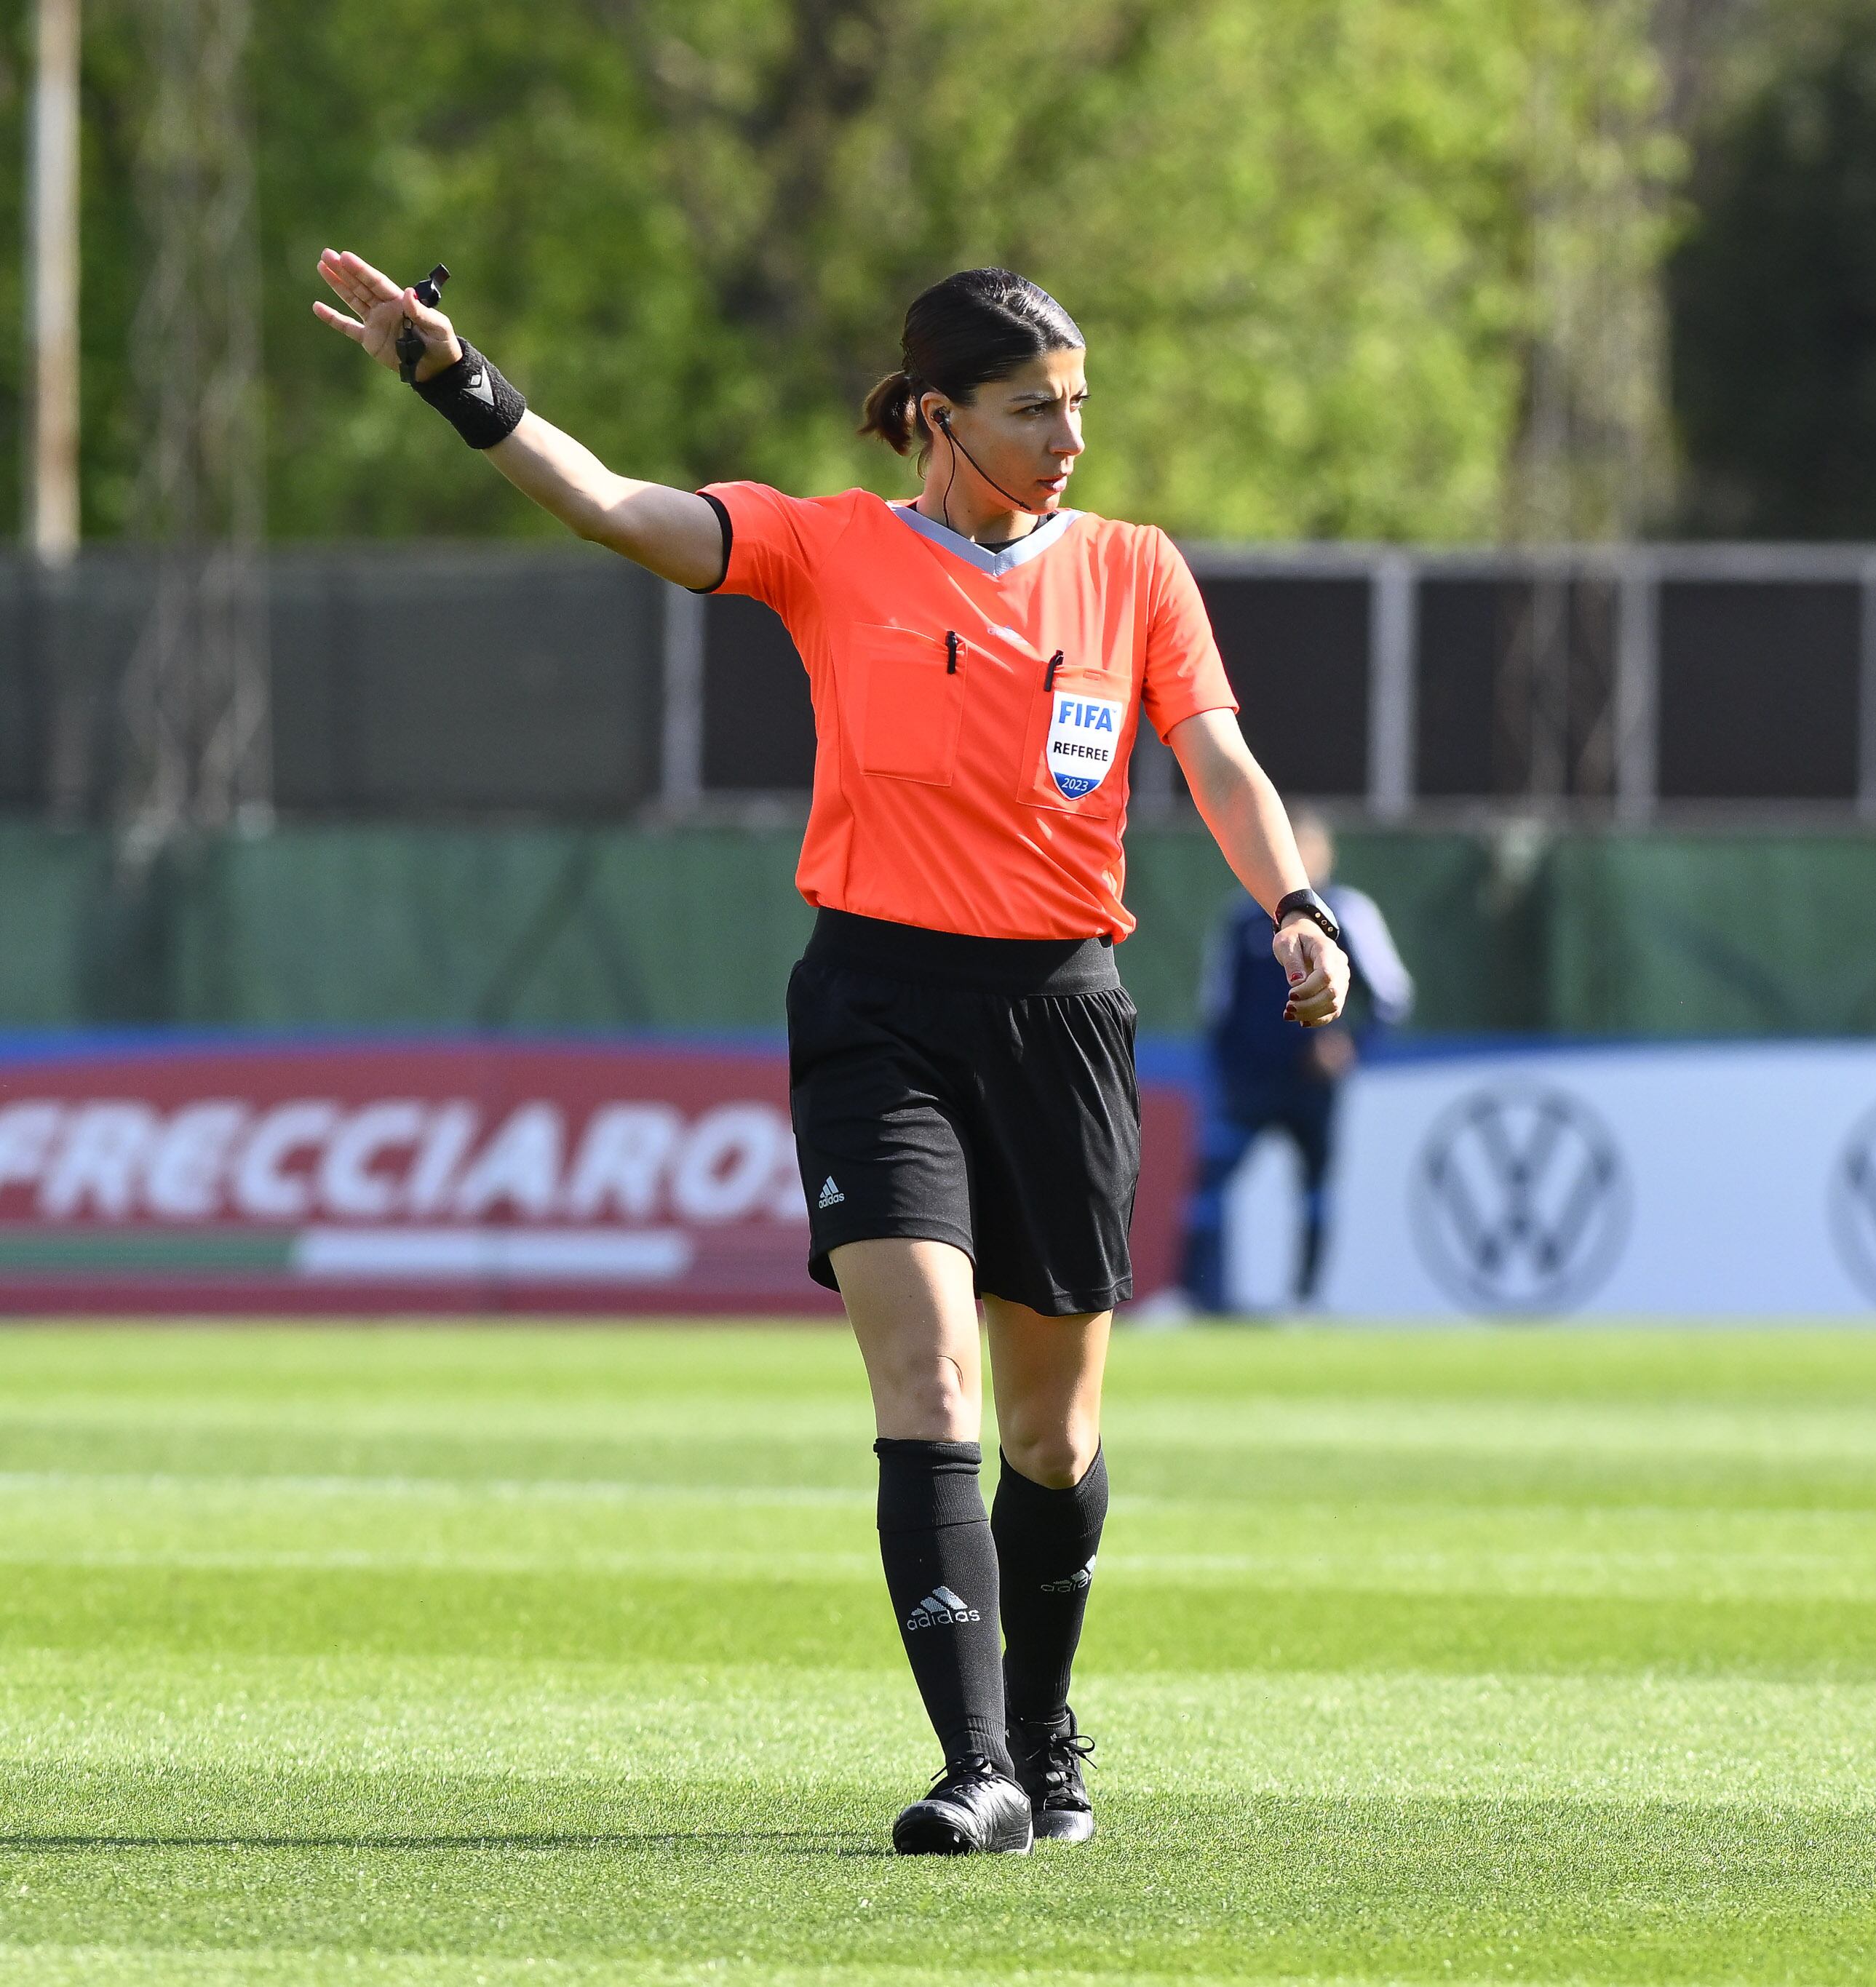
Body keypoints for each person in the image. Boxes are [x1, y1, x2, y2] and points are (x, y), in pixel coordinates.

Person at [311, 252, 1351, 1856]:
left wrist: (1291, 902)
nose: (1068, 436)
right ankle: (978, 1765)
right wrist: (460, 379)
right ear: (938, 417)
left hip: (1065, 1013)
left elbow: (1214, 756)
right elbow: (608, 504)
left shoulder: (1135, 571)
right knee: (922, 1376)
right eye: (1031, 409)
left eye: (1078, 404)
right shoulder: (826, 548)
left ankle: (1046, 1730)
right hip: (876, 1011)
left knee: (1053, 1435)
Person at [1181, 812, 1414, 1312]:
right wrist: (1224, 1071)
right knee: (1211, 1187)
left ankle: (1304, 1301)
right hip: (1249, 1084)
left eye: (1308, 849)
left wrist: (1350, 1044)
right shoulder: (1243, 919)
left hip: (1313, 1087)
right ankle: (1200, 1298)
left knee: (1314, 1192)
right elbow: (1219, 1003)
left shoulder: (1349, 914)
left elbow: (1391, 995)